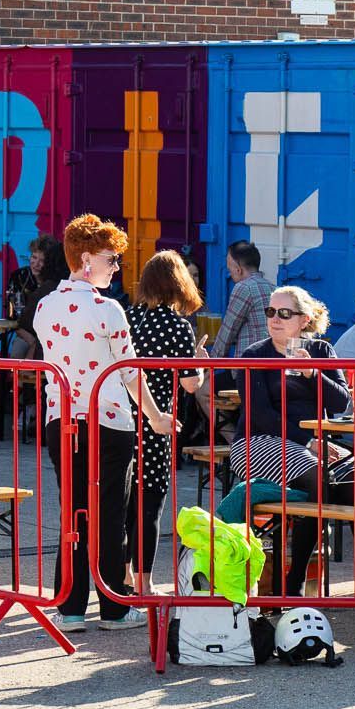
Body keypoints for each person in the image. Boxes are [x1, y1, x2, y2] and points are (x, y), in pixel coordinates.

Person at [35, 214, 174, 632]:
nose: (116, 267)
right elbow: (130, 370)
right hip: (108, 419)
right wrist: (156, 416)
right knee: (110, 511)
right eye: (111, 259)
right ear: (85, 259)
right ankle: (113, 605)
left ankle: (71, 606)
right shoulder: (107, 308)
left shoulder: (45, 304)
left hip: (61, 418)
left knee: (73, 512)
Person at [232, 285, 355, 595]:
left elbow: (339, 404)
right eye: (270, 312)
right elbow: (260, 415)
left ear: (304, 320)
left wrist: (312, 373)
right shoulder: (255, 354)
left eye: (284, 313)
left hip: (310, 444)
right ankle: (293, 582)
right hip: (257, 442)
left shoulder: (320, 351)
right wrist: (309, 443)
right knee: (318, 478)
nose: (275, 319)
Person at [123, 250, 206, 585]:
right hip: (156, 420)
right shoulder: (177, 326)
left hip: (122, 419)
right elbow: (189, 384)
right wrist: (200, 361)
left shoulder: (128, 317)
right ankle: (144, 581)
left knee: (126, 501)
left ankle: (126, 575)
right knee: (151, 501)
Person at [208, 240, 271, 359]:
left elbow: (228, 331)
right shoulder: (273, 288)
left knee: (218, 378)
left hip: (248, 367)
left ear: (238, 270)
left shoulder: (244, 287)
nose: (229, 274)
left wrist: (210, 364)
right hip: (269, 364)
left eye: (229, 269)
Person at [6, 235, 65, 360]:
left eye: (42, 260)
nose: (36, 264)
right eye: (34, 257)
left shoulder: (55, 281)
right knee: (17, 352)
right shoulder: (20, 276)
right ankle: (17, 379)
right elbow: (13, 315)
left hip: (51, 334)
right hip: (25, 331)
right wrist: (31, 340)